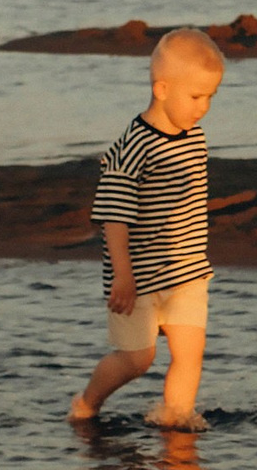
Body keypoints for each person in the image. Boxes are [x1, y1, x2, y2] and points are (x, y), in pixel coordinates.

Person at [67, 28, 224, 432]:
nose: (203, 108)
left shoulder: (194, 139)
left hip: (186, 271)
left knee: (190, 354)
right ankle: (87, 403)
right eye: (195, 97)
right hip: (136, 274)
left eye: (210, 97)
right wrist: (123, 274)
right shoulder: (133, 147)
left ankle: (176, 426)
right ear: (162, 88)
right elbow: (113, 217)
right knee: (139, 359)